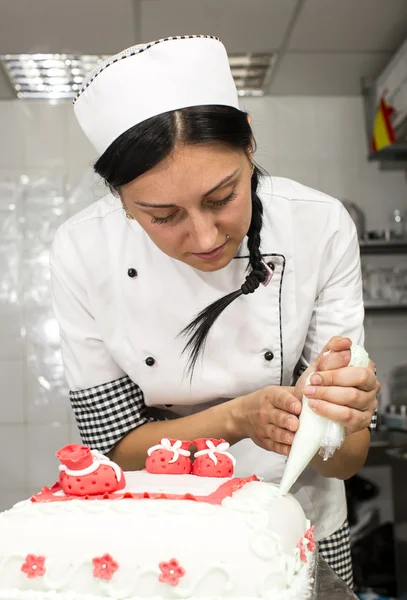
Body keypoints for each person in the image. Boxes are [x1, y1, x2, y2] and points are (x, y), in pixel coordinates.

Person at [50, 35, 379, 587]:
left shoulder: (319, 227)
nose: (203, 237)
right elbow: (112, 450)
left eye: (222, 197)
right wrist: (240, 418)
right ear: (121, 201)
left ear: (249, 143)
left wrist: (341, 418)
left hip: (299, 523)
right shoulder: (82, 252)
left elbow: (344, 461)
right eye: (161, 215)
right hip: (161, 531)